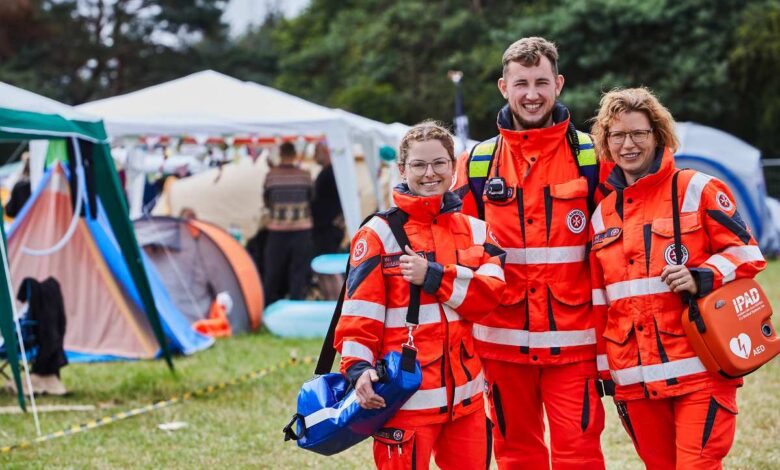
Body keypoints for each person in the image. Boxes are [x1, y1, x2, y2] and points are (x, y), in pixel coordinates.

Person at [589, 87, 766, 469]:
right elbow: (601, 301)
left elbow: (748, 253)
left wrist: (704, 276)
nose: (628, 144)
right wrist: (605, 371)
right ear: (606, 142)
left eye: (638, 133)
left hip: (700, 371)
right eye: (617, 135)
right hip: (633, 381)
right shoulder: (602, 215)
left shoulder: (697, 188)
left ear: (658, 135)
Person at [452, 37, 606, 468]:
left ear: (558, 84)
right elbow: (451, 242)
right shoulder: (477, 163)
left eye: (541, 82)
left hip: (574, 345)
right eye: (522, 83)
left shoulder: (592, 156)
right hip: (500, 343)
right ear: (504, 87)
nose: (532, 94)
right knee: (516, 455)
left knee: (579, 455)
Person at [335, 122, 507, 469]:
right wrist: (358, 369)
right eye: (419, 165)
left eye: (439, 163)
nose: (430, 173)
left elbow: (490, 297)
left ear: (454, 165)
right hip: (404, 403)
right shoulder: (378, 234)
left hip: (467, 401)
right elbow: (359, 314)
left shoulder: (476, 230)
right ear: (402, 169)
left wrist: (434, 277)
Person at [262, 141, 314, 304]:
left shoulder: (271, 175)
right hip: (302, 228)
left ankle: (269, 303)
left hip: (277, 229)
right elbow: (311, 198)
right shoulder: (305, 175)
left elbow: (267, 201)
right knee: (298, 270)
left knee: (273, 269)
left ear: (281, 154)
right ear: (294, 155)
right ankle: (296, 303)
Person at [310, 142, 344, 255]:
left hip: (327, 229)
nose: (314, 155)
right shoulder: (330, 172)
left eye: (316, 151)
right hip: (325, 227)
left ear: (325, 151)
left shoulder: (331, 173)